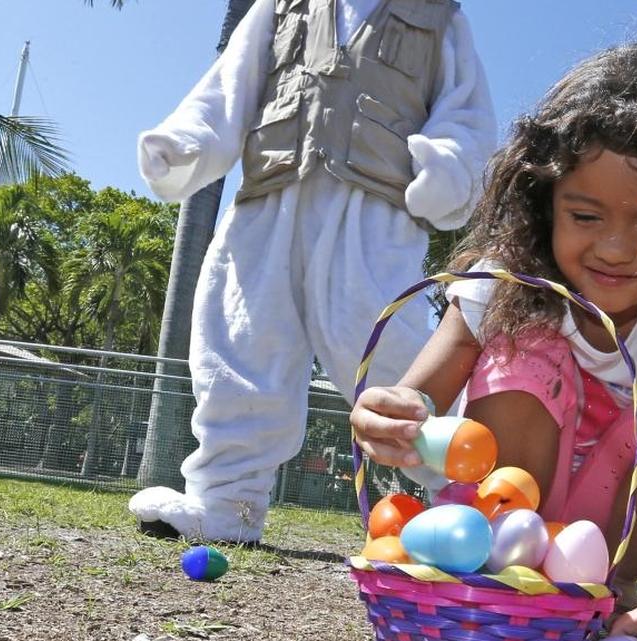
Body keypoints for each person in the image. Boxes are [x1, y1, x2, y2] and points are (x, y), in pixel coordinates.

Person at [350, 31, 637, 641]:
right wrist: (398, 413)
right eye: (585, 216)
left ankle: (602, 585)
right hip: (494, 520)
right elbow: (419, 396)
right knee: (525, 343)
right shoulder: (507, 281)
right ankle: (502, 575)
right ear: (545, 202)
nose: (616, 249)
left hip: (607, 546)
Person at [130, 0, 496, 543]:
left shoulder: (439, 18)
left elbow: (466, 112)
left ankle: (471, 495)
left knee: (395, 354)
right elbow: (231, 83)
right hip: (267, 207)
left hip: (373, 216)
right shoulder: (279, 7)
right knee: (242, 346)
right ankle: (228, 501)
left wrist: (445, 167)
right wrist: (188, 140)